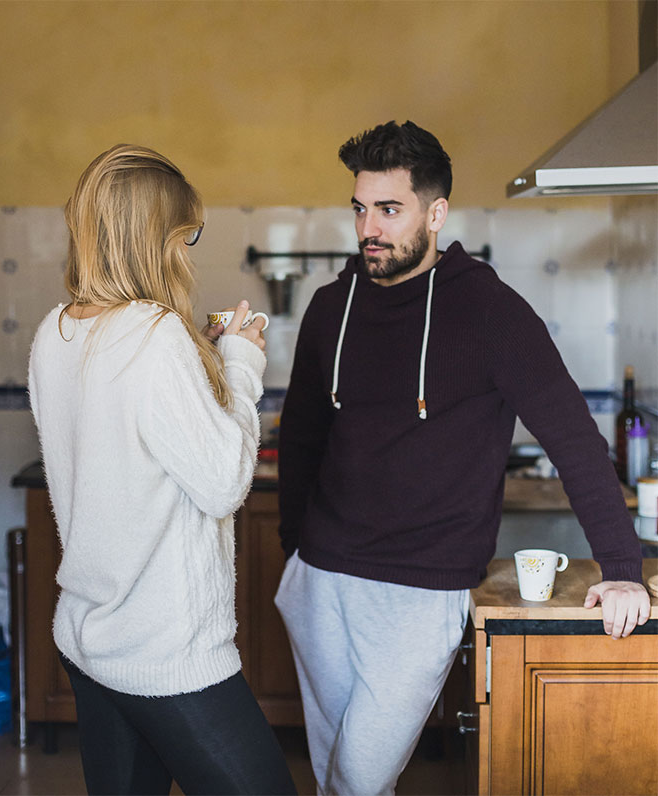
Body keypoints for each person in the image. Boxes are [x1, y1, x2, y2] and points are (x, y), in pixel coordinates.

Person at [274, 121, 650, 796]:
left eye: (389, 209)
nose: (369, 228)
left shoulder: (492, 313)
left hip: (423, 590)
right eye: (360, 208)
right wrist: (294, 548)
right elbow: (302, 433)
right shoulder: (331, 307)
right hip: (322, 582)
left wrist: (624, 570)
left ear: (436, 212)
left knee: (359, 777)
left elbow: (572, 440)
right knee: (336, 778)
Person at [28, 144, 296, 796]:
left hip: (91, 641)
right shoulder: (154, 335)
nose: (189, 249)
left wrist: (200, 364)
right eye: (187, 233)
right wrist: (239, 364)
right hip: (166, 654)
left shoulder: (54, 331)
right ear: (157, 236)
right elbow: (224, 482)